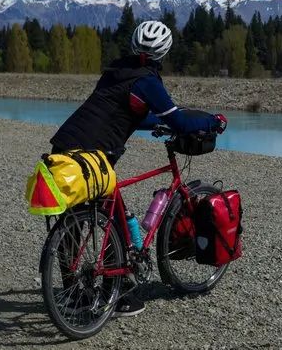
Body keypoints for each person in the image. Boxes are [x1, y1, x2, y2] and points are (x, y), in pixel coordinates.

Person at [50, 20, 227, 318]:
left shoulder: (115, 73)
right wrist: (214, 121)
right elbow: (181, 123)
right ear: (165, 52)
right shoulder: (147, 81)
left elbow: (123, 113)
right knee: (111, 217)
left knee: (74, 221)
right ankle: (113, 295)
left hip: (65, 147)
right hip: (96, 155)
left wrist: (156, 122)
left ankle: (75, 294)